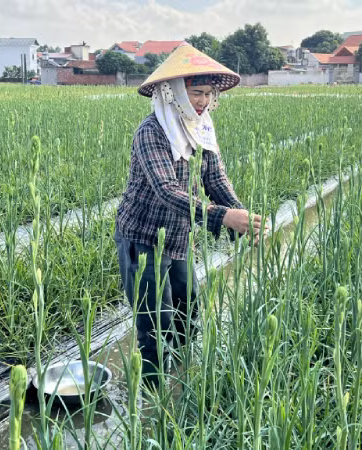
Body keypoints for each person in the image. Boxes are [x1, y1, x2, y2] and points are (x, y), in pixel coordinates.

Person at [114, 44, 265, 388]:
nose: (203, 101)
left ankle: (182, 383)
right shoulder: (152, 131)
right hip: (144, 238)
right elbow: (167, 190)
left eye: (209, 94)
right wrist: (222, 217)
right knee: (156, 323)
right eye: (197, 92)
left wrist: (242, 217)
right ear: (174, 92)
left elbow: (214, 178)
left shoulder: (200, 129)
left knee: (188, 312)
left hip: (178, 238)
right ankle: (153, 396)